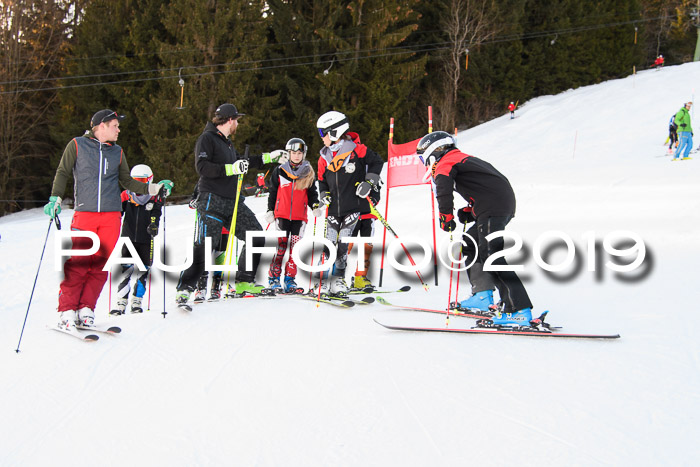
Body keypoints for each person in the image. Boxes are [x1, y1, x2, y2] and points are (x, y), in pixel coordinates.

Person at [45, 109, 173, 330]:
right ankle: (67, 310)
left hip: (111, 216)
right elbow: (63, 172)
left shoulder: (118, 152)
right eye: (115, 125)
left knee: (100, 265)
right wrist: (55, 198)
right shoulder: (76, 145)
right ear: (101, 126)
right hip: (85, 214)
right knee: (79, 263)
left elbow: (127, 181)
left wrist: (154, 188)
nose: (118, 129)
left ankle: (86, 308)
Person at [175, 103, 289, 307]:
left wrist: (269, 157)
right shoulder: (207, 138)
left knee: (256, 234)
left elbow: (242, 162)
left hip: (233, 201)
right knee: (205, 244)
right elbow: (202, 167)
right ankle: (185, 288)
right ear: (229, 120)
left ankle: (245, 282)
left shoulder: (227, 143)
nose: (237, 123)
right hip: (211, 200)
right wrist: (231, 168)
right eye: (236, 120)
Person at [416, 131, 533, 327]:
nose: (424, 162)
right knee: (470, 246)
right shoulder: (461, 159)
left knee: (491, 256)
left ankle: (519, 310)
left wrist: (446, 217)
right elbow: (485, 185)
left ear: (433, 151)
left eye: (423, 157)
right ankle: (482, 295)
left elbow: (443, 190)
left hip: (492, 207)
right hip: (494, 205)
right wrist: (471, 210)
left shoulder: (446, 162)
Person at [312, 110, 384, 296]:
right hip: (333, 210)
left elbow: (377, 162)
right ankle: (321, 281)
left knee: (343, 247)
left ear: (334, 131)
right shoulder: (323, 157)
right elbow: (321, 180)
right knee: (329, 246)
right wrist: (324, 194)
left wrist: (369, 183)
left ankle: (338, 280)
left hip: (353, 208)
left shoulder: (356, 150)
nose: (321, 138)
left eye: (323, 133)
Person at [264, 137, 321, 293]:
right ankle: (274, 278)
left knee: (295, 249)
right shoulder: (280, 171)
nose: (296, 156)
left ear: (304, 154)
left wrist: (315, 206)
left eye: (299, 153)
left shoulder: (308, 172)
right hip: (281, 215)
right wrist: (270, 210)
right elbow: (273, 192)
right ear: (288, 153)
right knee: (281, 247)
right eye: (293, 152)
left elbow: (312, 193)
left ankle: (290, 280)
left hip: (299, 217)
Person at [110, 164, 164, 315]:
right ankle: (121, 301)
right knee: (125, 269)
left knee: (143, 269)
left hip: (146, 239)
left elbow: (157, 213)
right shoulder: (126, 195)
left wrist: (154, 225)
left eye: (142, 180)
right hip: (128, 238)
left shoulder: (154, 196)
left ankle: (137, 300)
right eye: (136, 181)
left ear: (149, 180)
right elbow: (117, 213)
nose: (139, 185)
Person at [347, 169, 382, 290]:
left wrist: (372, 201)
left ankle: (360, 278)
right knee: (346, 246)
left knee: (366, 247)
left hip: (368, 216)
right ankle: (337, 276)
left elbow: (377, 194)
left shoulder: (372, 175)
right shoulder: (350, 170)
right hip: (351, 215)